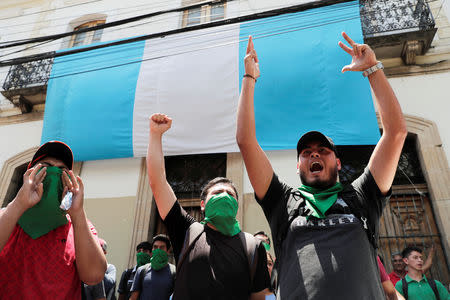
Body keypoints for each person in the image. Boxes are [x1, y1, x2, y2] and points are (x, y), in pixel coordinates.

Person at [236, 32, 407, 299]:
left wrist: (373, 70)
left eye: (323, 150)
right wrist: (248, 78)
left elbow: (396, 132)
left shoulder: (361, 197)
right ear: (297, 166)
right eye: (306, 152)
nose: (314, 155)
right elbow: (246, 141)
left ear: (337, 162)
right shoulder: (283, 202)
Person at [146, 113, 270, 300]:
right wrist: (155, 136)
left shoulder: (254, 246)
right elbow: (158, 182)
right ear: (202, 205)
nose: (224, 196)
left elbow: (261, 296)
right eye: (217, 193)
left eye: (230, 194)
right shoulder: (187, 231)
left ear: (236, 206)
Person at [0, 140, 107, 299]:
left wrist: (77, 214)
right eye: (45, 166)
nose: (53, 172)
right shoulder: (7, 216)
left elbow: (94, 275)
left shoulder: (79, 227)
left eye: (62, 170)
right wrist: (19, 204)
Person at [129, 234, 175, 300]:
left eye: (161, 248)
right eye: (155, 247)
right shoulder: (142, 270)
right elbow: (133, 298)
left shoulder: (174, 271)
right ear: (152, 250)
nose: (158, 250)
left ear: (168, 251)